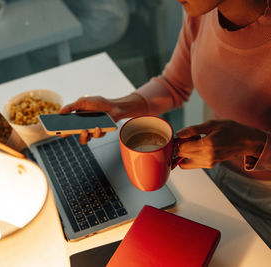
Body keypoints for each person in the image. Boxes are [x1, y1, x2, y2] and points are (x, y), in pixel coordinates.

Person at [60, 0, 271, 248]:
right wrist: (118, 107)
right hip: (213, 178)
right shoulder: (203, 12)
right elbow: (174, 84)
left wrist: (250, 143)